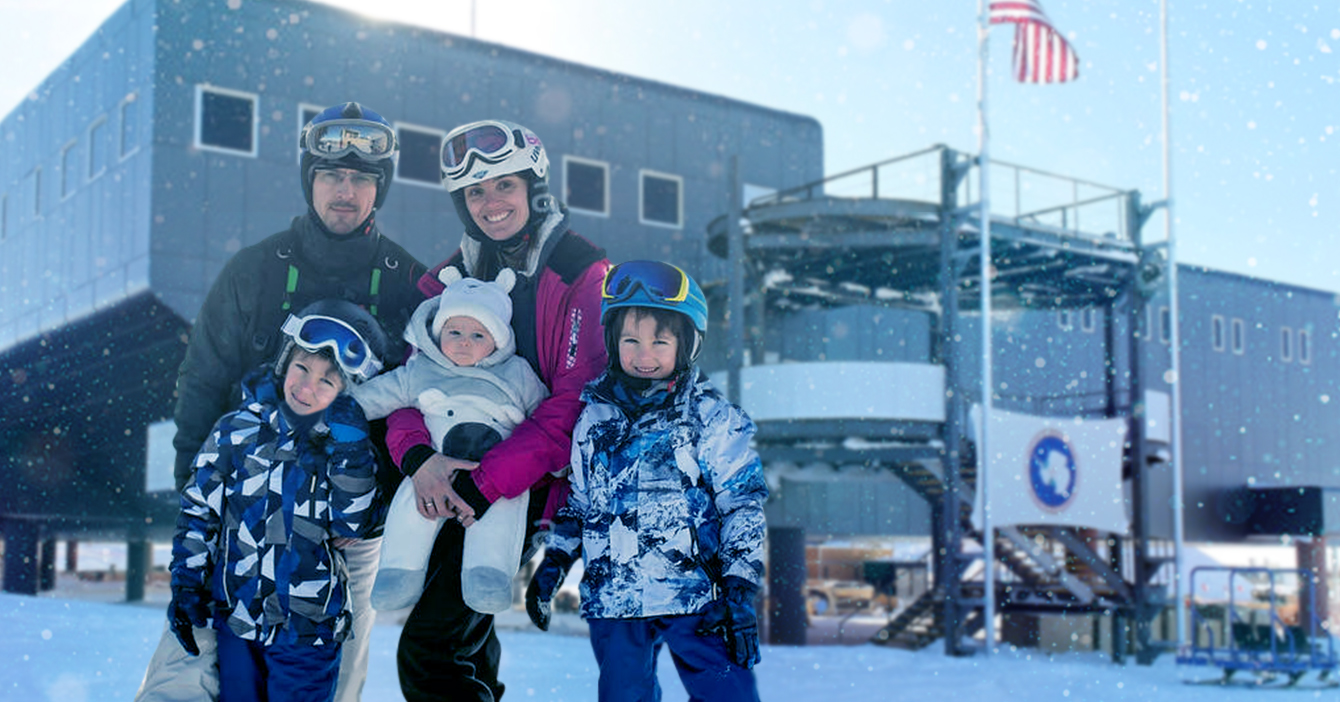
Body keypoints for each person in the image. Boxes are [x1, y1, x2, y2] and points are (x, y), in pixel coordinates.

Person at [136, 101, 426, 702]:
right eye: (330, 175)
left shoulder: (409, 285)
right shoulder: (255, 272)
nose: (344, 192)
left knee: (331, 683)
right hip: (239, 517)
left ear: (380, 188)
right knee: (184, 675)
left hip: (347, 535)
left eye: (361, 179)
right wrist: (201, 492)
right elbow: (202, 382)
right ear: (309, 180)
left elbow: (427, 406)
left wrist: (380, 512)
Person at [383, 119, 610, 702]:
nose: (491, 203)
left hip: (518, 489)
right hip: (444, 479)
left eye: (504, 186)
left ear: (532, 189)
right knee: (465, 650)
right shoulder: (446, 281)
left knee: (431, 650)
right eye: (475, 192)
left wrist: (486, 483)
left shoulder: (578, 271)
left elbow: (574, 402)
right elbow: (410, 385)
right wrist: (417, 459)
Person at [524, 260, 769, 702]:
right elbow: (581, 502)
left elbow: (743, 504)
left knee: (727, 695)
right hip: (617, 601)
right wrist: (555, 561)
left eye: (660, 341)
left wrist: (739, 586)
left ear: (687, 344)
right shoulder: (594, 416)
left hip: (699, 599)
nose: (643, 355)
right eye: (630, 340)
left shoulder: (711, 417)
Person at [169, 300, 385, 702]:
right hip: (238, 621)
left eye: (327, 381)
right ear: (286, 361)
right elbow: (200, 511)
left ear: (346, 392)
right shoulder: (235, 432)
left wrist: (351, 449)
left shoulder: (348, 452)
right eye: (302, 368)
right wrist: (186, 582)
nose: (306, 387)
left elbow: (351, 525)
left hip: (308, 631)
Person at [350, 267, 547, 613]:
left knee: (502, 510)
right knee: (414, 504)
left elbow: (542, 417)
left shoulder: (516, 372)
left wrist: (559, 464)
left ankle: (488, 576)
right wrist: (342, 407)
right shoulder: (422, 369)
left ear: (498, 340)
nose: (463, 342)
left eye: (478, 335)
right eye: (454, 331)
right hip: (436, 464)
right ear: (439, 331)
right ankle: (399, 573)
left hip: (495, 469)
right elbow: (381, 394)